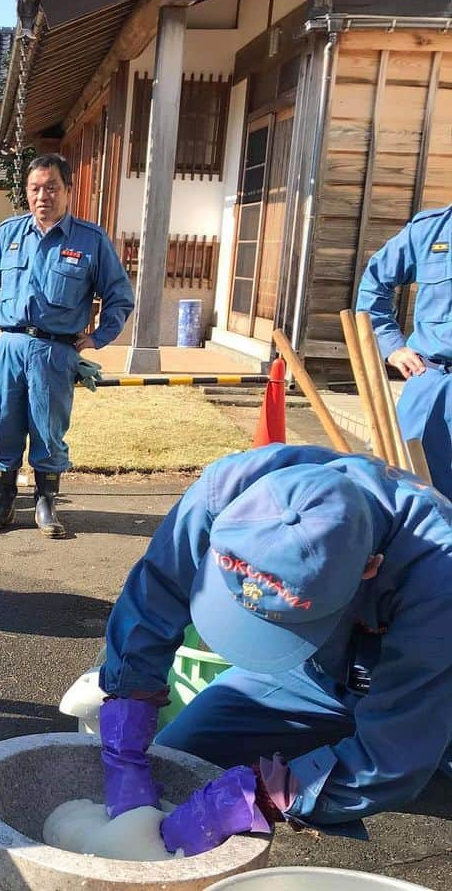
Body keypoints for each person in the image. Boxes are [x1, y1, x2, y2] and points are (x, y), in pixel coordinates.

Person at [96, 443, 452, 856]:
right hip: (313, 668)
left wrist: (266, 796)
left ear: (369, 568)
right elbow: (156, 592)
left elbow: (394, 758)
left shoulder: (439, 583)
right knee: (183, 757)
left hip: (431, 689)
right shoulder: (231, 490)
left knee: (413, 772)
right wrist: (128, 707)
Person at [0, 153, 133, 538]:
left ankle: (46, 501)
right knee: (4, 423)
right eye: (35, 189)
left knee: (48, 427)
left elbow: (119, 296)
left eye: (52, 188)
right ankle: (4, 500)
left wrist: (97, 337)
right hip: (8, 346)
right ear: (27, 193)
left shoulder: (91, 241)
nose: (43, 196)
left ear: (68, 191)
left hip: (55, 351)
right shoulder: (8, 234)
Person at [356, 206, 452, 498]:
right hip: (433, 386)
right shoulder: (430, 230)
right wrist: (392, 346)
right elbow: (374, 285)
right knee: (409, 493)